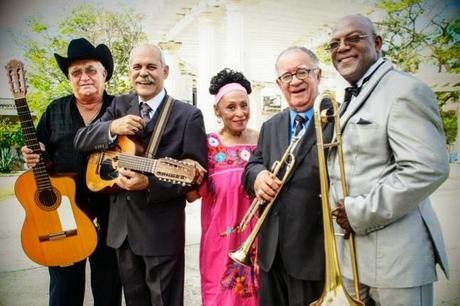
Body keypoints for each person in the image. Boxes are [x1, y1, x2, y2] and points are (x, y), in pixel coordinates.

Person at [326, 15, 449, 305]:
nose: (342, 47)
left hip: (397, 260)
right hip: (353, 257)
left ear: (378, 43)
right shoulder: (352, 97)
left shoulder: (405, 89)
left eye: (354, 38)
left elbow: (426, 169)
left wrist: (359, 212)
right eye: (334, 43)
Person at [74, 43, 207, 306]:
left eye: (151, 67)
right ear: (129, 72)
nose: (143, 73)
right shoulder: (119, 106)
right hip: (122, 231)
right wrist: (112, 126)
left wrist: (150, 182)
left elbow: (195, 176)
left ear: (165, 71)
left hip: (161, 232)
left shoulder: (188, 115)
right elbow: (81, 140)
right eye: (137, 67)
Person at [21, 38, 122, 306]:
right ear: (69, 78)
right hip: (63, 215)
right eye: (76, 72)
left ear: (104, 74)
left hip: (111, 213)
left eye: (91, 70)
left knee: (109, 287)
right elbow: (40, 156)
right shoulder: (54, 111)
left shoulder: (121, 108)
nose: (84, 77)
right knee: (64, 291)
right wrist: (33, 155)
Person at [242, 47, 331, 306]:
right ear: (279, 84)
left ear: (318, 75)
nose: (295, 81)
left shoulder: (336, 119)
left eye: (302, 72)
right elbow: (253, 166)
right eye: (286, 76)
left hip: (313, 253)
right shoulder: (271, 126)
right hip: (271, 254)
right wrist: (257, 177)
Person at [187, 68, 259, 306]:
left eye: (244, 105)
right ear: (217, 111)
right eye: (231, 107)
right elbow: (191, 195)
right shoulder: (207, 145)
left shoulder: (263, 140)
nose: (240, 113)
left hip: (258, 240)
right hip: (219, 243)